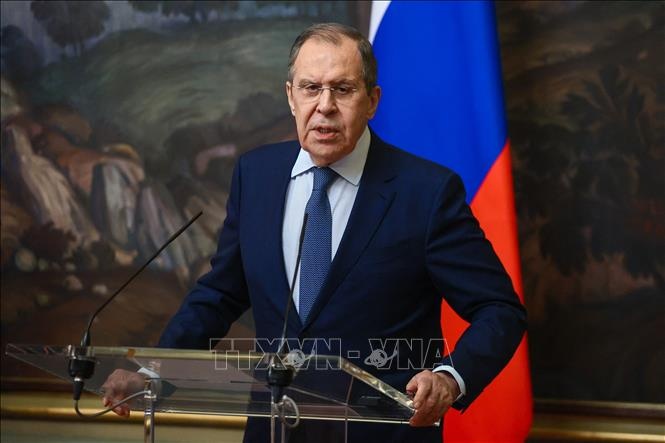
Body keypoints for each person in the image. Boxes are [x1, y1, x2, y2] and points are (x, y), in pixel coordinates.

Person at [102, 23, 526, 442]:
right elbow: (220, 294)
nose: (325, 106)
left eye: (342, 89)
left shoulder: (426, 192)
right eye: (311, 88)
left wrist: (450, 378)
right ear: (291, 96)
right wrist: (153, 369)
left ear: (372, 101)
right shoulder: (256, 175)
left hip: (383, 434)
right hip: (275, 429)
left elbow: (499, 309)